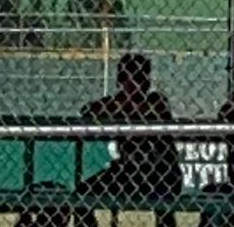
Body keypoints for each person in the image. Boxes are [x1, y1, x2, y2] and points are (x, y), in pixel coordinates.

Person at [78, 53, 181, 199]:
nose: (136, 84)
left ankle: (165, 221)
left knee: (165, 204)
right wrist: (121, 103)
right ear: (121, 80)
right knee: (83, 192)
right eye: (129, 79)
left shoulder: (155, 100)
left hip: (161, 173)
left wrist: (122, 106)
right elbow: (87, 111)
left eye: (140, 78)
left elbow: (152, 108)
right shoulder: (115, 102)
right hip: (128, 171)